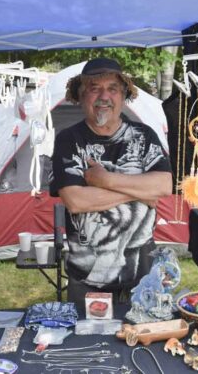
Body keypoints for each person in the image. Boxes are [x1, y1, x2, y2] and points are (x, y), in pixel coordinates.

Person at [49, 58, 172, 310]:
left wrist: (105, 179)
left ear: (123, 95)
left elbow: (164, 185)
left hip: (143, 275)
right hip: (87, 275)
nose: (104, 96)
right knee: (85, 344)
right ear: (81, 96)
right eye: (94, 88)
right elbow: (75, 201)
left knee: (143, 336)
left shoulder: (144, 135)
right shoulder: (68, 140)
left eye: (113, 89)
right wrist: (139, 192)